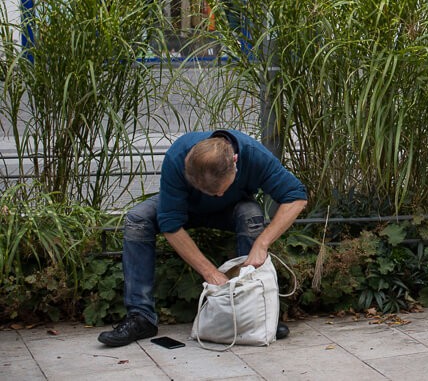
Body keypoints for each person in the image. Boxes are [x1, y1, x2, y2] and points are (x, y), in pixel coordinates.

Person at [98, 130, 308, 347]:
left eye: (219, 190)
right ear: (188, 167)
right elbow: (170, 223)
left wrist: (262, 244)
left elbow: (296, 197)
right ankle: (141, 317)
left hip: (232, 209)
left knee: (251, 215)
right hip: (185, 209)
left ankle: (254, 315)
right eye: (207, 190)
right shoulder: (177, 156)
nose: (216, 195)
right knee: (137, 219)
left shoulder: (254, 155)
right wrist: (211, 273)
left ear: (235, 162)